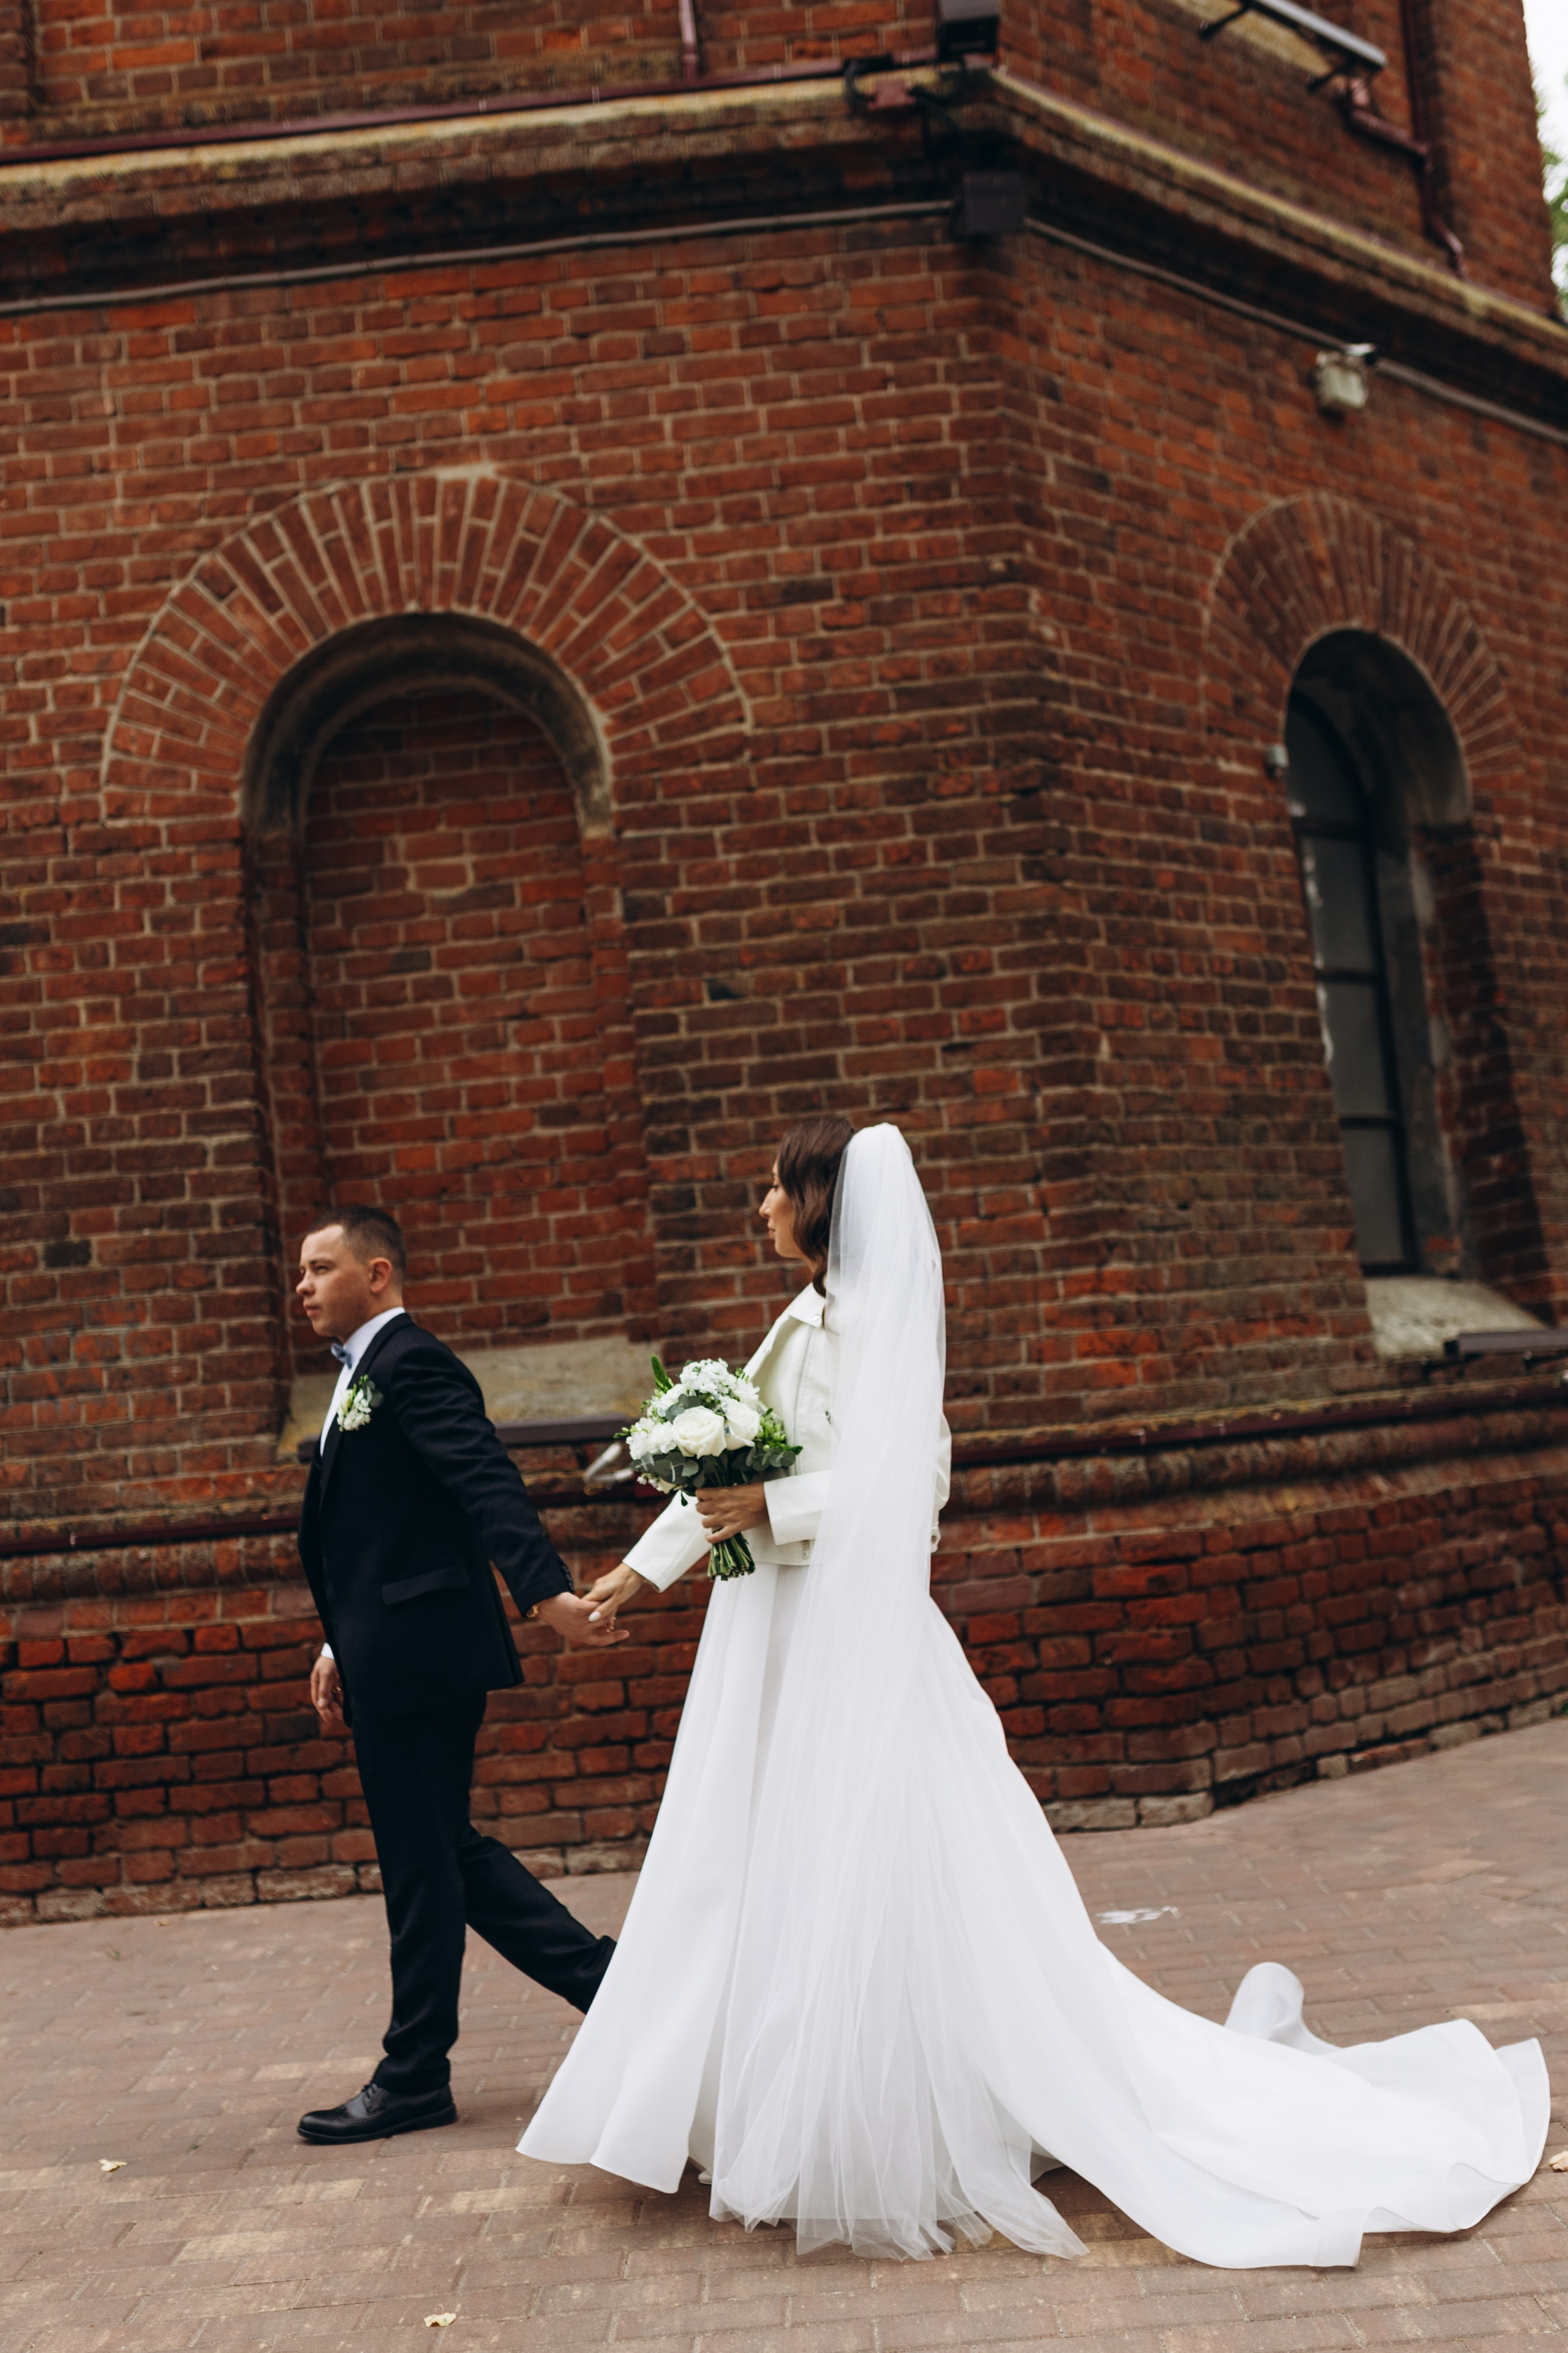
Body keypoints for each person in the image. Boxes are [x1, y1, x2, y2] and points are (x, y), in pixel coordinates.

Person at [518, 1121, 1549, 2265]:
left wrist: (780, 1512)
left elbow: (910, 1483)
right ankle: (758, 2110)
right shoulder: (800, 1319)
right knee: (758, 1858)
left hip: (848, 1641)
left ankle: (896, 2114)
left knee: (885, 1859)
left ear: (820, 1205)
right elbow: (730, 1471)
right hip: (768, 1640)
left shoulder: (878, 1333)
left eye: (772, 1189)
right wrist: (633, 1573)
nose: (758, 1205)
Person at [293, 1206, 628, 2147]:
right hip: (391, 1643)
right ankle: (610, 1986)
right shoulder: (363, 1374)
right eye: (302, 1272)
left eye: (322, 1268)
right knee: (445, 1852)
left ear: (380, 1273)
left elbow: (485, 1480)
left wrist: (546, 1592)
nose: (304, 1287)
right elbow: (377, 1532)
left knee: (421, 1861)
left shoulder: (411, 1363)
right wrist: (336, 1643)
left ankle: (415, 2073)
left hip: (424, 1649)